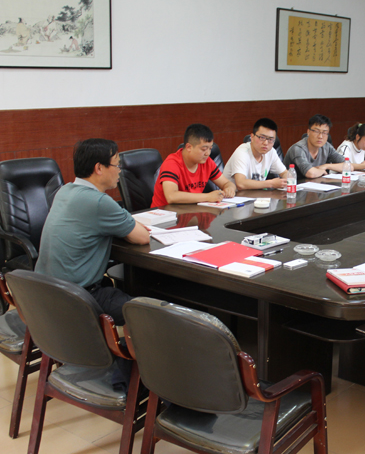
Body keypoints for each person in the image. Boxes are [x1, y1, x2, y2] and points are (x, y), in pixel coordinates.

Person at [35, 139, 150, 326]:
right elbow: (142, 237)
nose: (120, 170)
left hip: (44, 293)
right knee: (148, 312)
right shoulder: (98, 202)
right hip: (77, 298)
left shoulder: (64, 191)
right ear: (99, 168)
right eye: (117, 165)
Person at [151, 124, 236, 207]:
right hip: (165, 213)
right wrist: (208, 197)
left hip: (190, 211)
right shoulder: (172, 163)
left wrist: (230, 188)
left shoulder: (207, 162)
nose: (208, 153)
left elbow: (226, 183)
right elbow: (171, 196)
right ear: (189, 147)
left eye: (210, 148)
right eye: (204, 149)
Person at [284, 114, 365, 179]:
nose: (320, 136)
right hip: (293, 189)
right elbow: (310, 173)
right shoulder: (298, 149)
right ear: (308, 132)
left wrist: (326, 166)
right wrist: (321, 171)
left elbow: (349, 166)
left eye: (324, 133)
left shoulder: (326, 147)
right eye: (316, 131)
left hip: (317, 188)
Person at [223, 118, 288, 190]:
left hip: (256, 195)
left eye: (270, 139)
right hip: (234, 195)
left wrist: (288, 179)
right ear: (252, 137)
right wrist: (271, 184)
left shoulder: (271, 152)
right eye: (262, 137)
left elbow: (284, 173)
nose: (266, 143)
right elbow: (240, 184)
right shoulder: (242, 152)